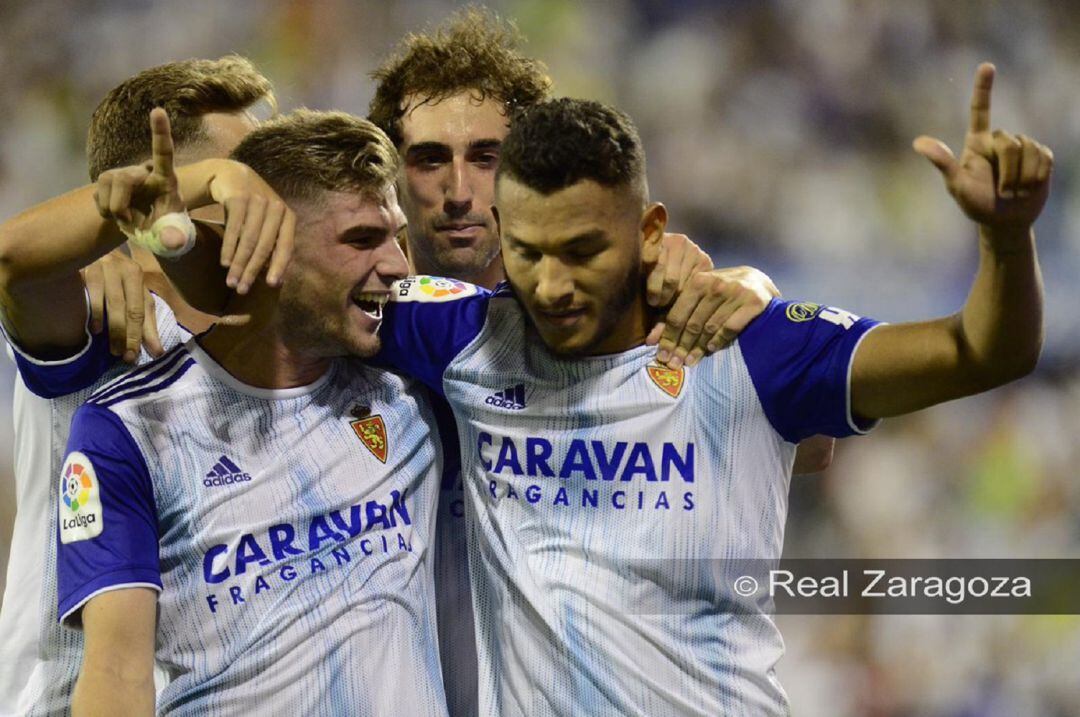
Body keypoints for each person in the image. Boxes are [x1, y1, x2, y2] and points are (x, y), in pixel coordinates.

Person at [372, 63, 1050, 715]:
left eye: (582, 252)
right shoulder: (469, 337)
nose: (551, 286)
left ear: (650, 232)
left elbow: (982, 352)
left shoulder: (751, 347)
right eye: (527, 252)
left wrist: (1007, 237)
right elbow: (328, 275)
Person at [367, 12, 816, 714]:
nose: (459, 190)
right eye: (428, 159)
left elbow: (804, 444)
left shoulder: (640, 313)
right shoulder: (347, 328)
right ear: (392, 174)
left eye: (486, 157)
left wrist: (753, 290)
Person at [49, 109, 453, 715]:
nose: (398, 265)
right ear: (270, 249)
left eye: (396, 236)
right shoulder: (134, 427)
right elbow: (115, 672)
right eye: (362, 239)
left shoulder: (414, 382)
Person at [0, 55, 281, 716]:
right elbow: (13, 264)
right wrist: (205, 182)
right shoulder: (101, 320)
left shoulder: (266, 349)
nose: (264, 203)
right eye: (242, 180)